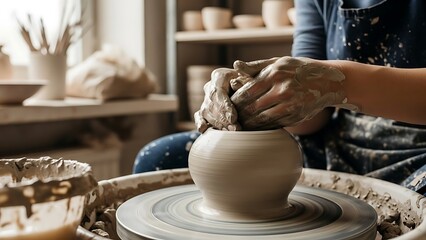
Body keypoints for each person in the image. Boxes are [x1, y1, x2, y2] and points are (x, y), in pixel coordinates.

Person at [134, 0, 426, 195]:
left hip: (419, 151)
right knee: (160, 159)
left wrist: (335, 82)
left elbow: (322, 80)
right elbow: (312, 117)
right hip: (339, 140)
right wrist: (249, 95)